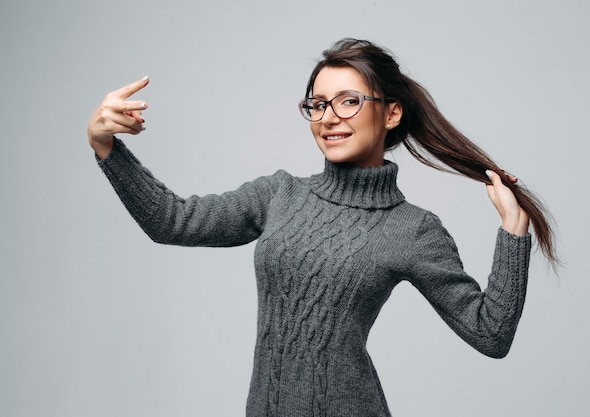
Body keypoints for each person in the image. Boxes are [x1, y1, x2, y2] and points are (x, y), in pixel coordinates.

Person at [87, 38, 557, 417]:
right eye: (317, 104)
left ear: (391, 112)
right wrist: (106, 144)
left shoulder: (412, 230)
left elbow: (490, 335)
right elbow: (172, 221)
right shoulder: (280, 194)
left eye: (349, 101)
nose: (329, 117)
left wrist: (513, 233)